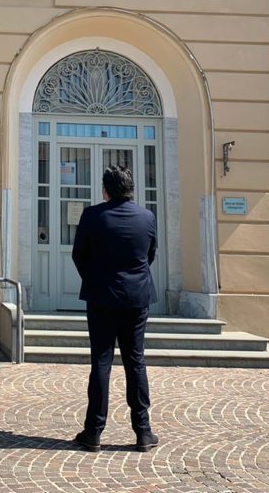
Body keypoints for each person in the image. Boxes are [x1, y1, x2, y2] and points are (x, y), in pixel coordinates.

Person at [71, 165, 159, 453]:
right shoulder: (147, 217)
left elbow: (78, 255)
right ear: (131, 188)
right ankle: (143, 431)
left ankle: (93, 432)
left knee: (101, 362)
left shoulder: (92, 215)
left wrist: (95, 279)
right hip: (136, 298)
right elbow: (150, 255)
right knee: (136, 362)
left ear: (105, 190)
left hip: (102, 298)